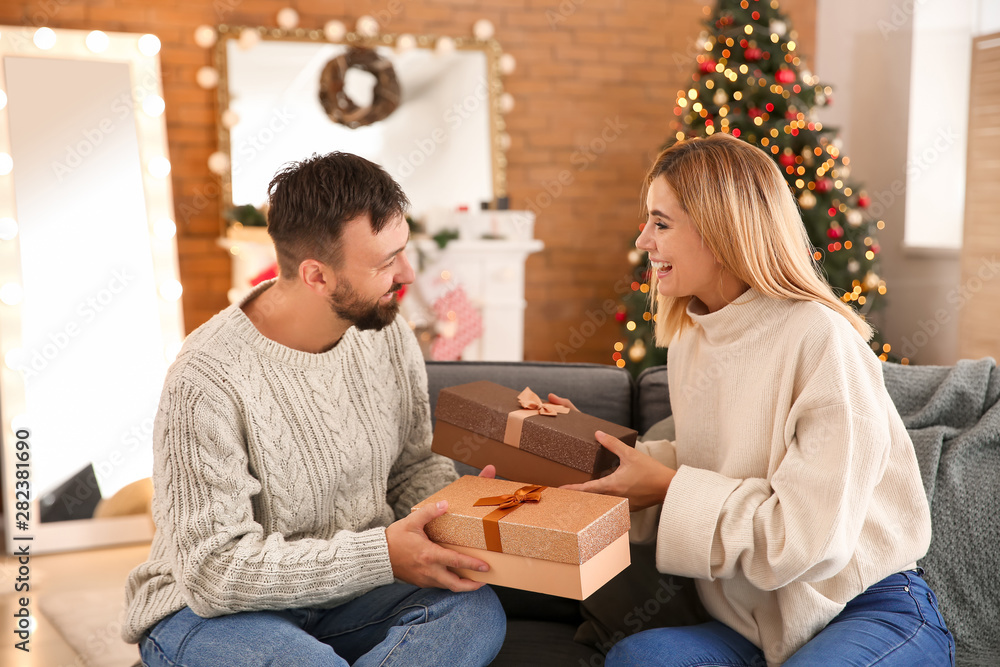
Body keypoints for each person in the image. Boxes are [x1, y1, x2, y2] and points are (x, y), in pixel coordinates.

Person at [556, 133, 954, 666]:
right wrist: (582, 447)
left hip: (863, 606)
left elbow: (808, 541)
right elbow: (714, 461)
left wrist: (670, 489)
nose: (643, 239)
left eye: (661, 223)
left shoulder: (820, 340)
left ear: (721, 230)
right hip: (752, 623)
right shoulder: (692, 339)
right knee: (639, 659)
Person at [121, 152, 506, 667]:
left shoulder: (387, 333)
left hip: (350, 595)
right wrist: (381, 555)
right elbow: (213, 572)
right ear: (317, 276)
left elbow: (410, 468)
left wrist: (458, 512)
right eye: (386, 263)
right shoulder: (206, 378)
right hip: (209, 612)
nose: (408, 274)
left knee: (473, 611)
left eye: (403, 251)